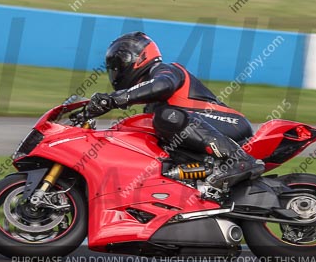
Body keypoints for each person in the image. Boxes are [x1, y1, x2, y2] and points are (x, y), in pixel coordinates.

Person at [85, 31, 264, 189]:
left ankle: (239, 160)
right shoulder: (151, 105)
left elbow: (163, 85)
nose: (116, 74)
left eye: (118, 67)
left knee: (167, 117)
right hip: (204, 131)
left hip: (228, 123)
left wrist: (116, 99)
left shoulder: (166, 70)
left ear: (137, 59)